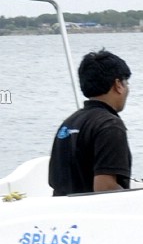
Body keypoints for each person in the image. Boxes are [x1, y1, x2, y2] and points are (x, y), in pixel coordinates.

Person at [49, 49, 132, 195]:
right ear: (118, 84)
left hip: (64, 215)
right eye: (127, 83)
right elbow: (105, 188)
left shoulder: (68, 124)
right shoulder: (110, 126)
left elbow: (55, 183)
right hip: (93, 216)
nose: (127, 89)